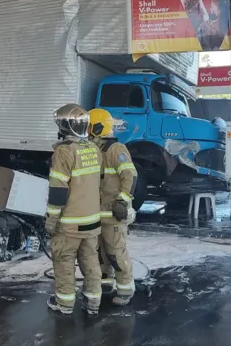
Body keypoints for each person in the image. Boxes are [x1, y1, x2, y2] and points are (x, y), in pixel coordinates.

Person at [45, 104, 103, 316]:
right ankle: (93, 302)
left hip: (70, 223)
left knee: (64, 261)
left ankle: (65, 304)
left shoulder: (64, 152)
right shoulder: (95, 149)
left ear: (64, 126)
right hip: (92, 222)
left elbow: (58, 189)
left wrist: (52, 218)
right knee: (90, 262)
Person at [88, 108, 137, 306]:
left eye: (89, 127)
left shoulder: (116, 149)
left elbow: (131, 176)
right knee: (100, 252)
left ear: (98, 127)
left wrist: (122, 200)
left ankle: (125, 288)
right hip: (98, 213)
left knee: (116, 252)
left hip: (113, 213)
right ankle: (105, 282)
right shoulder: (95, 150)